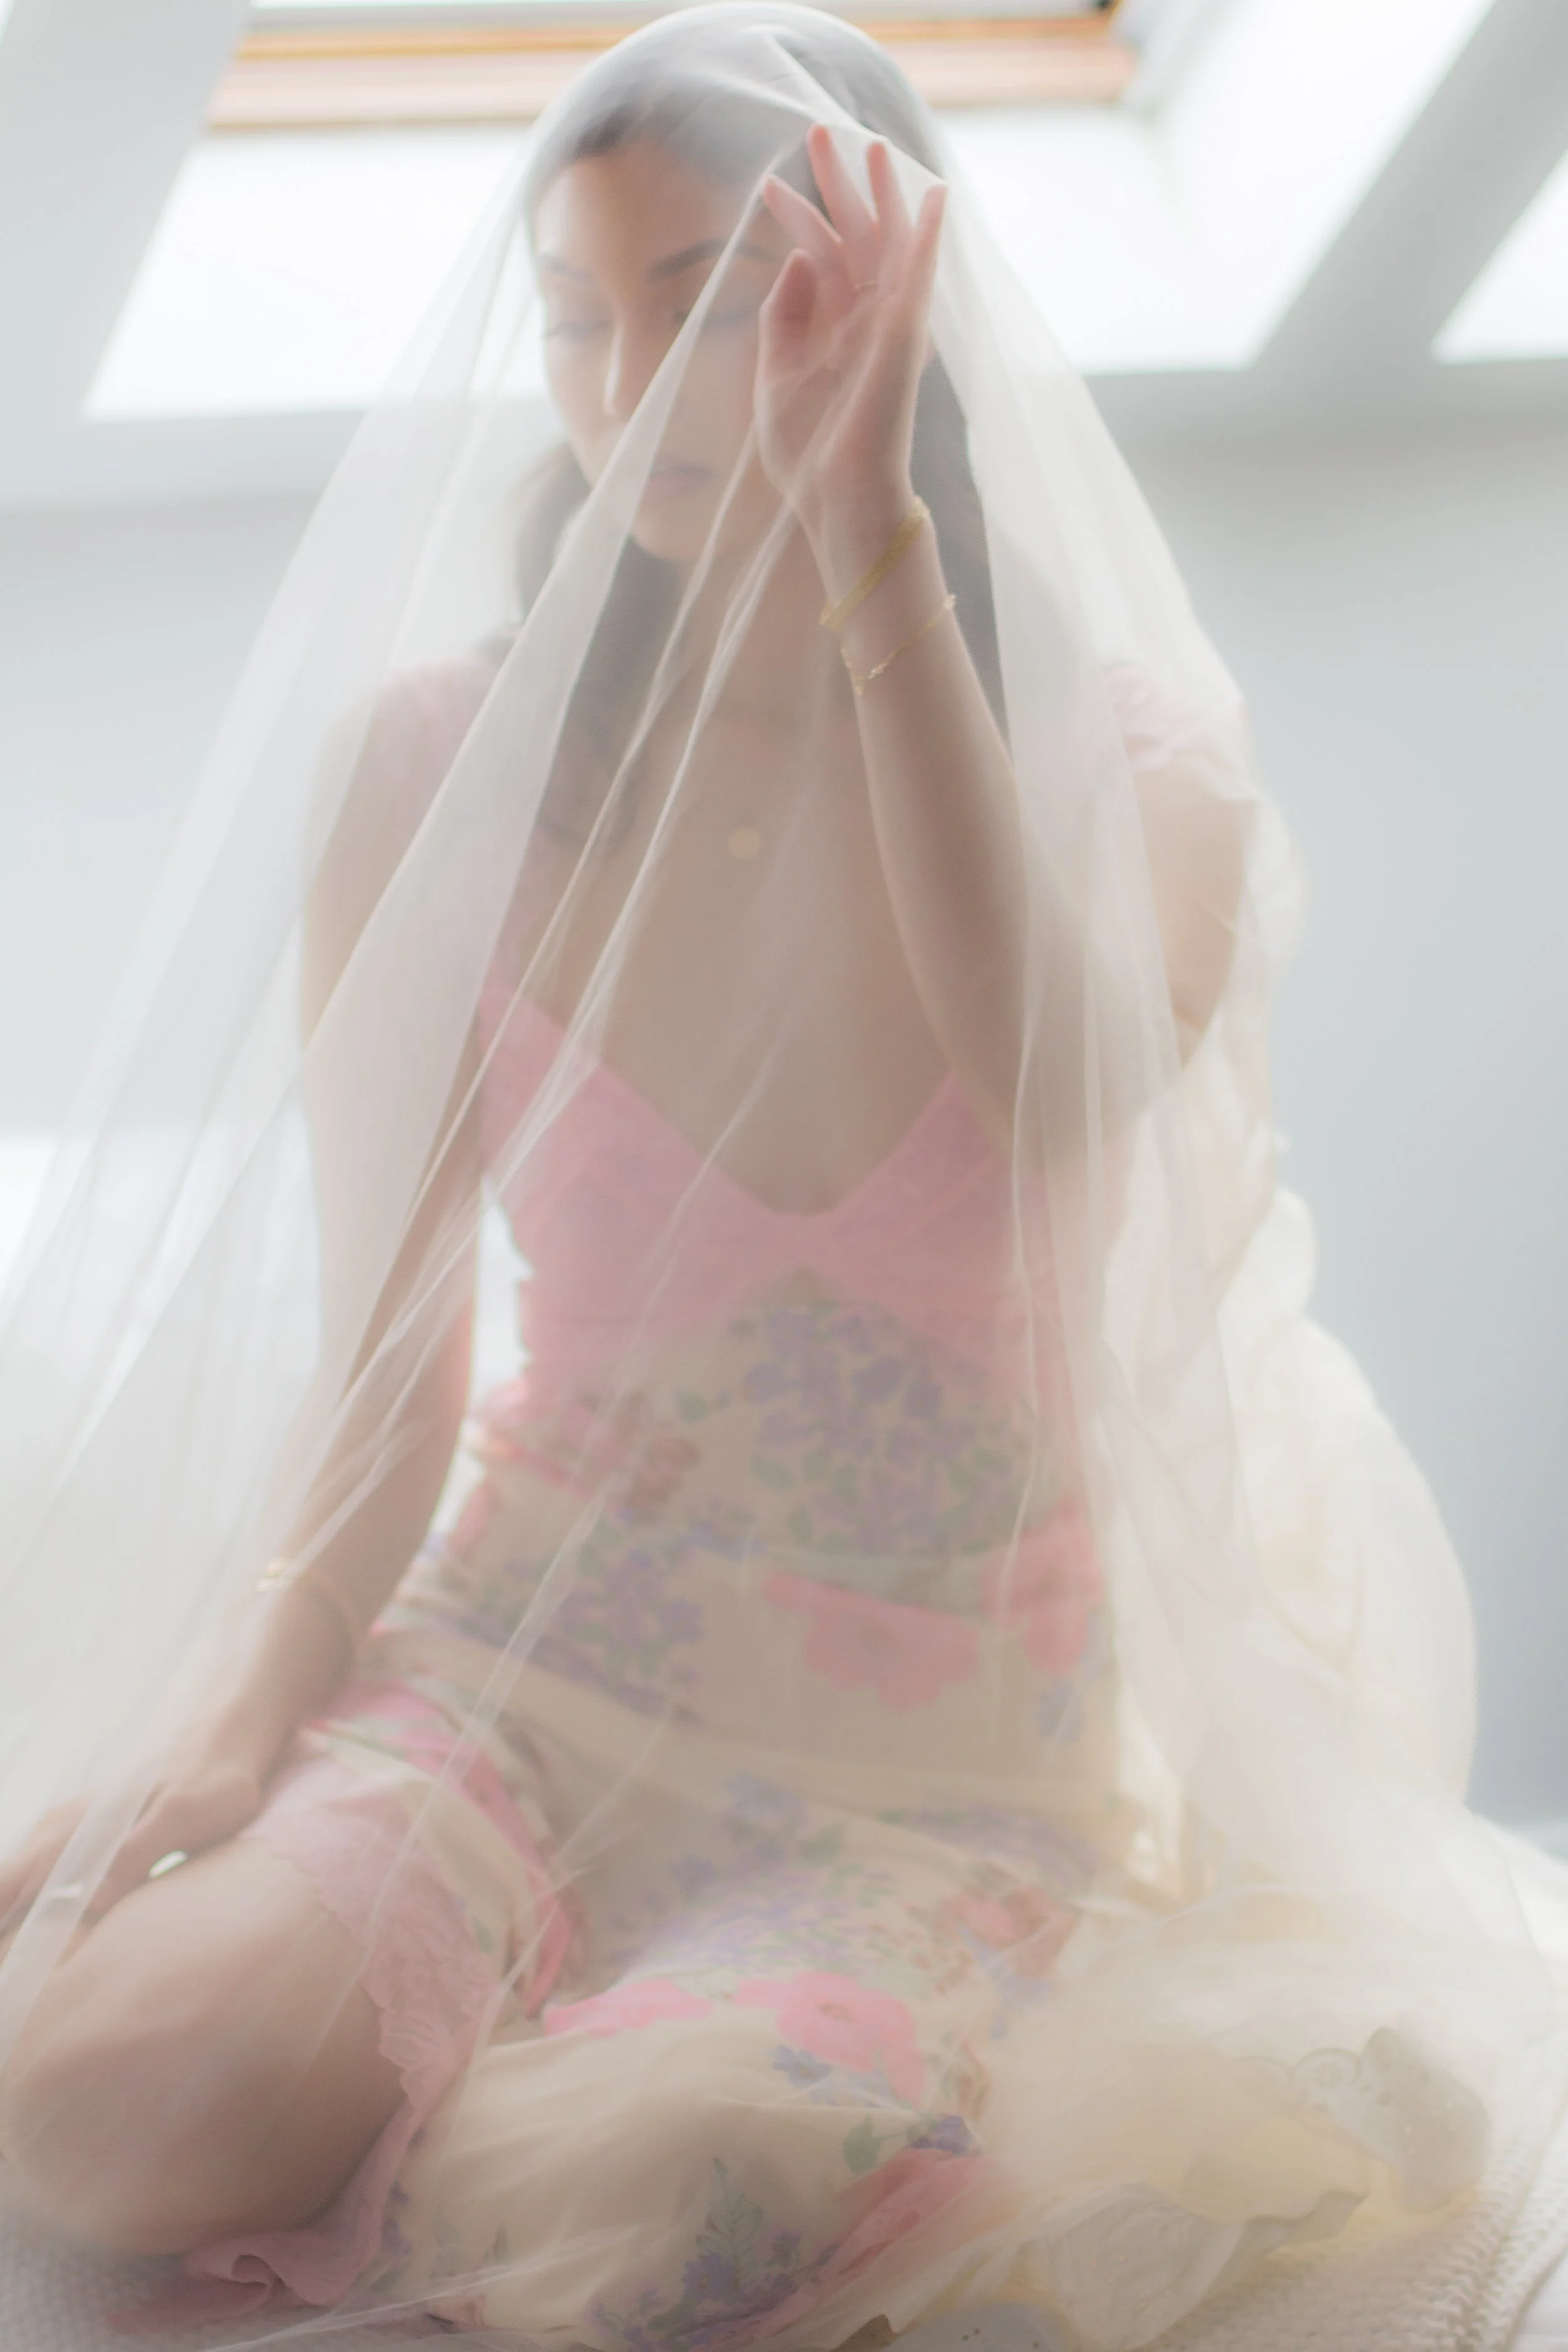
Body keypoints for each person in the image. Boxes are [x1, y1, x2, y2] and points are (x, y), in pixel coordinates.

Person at [0, 8, 1559, 2347]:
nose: (631, 378)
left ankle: (627, 2055)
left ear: (894, 302)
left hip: (928, 1764)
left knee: (670, 2179)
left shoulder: (1139, 759)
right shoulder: (429, 767)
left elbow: (1048, 1080)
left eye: (718, 298)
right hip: (529, 1668)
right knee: (98, 2101)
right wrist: (236, 1727)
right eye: (577, 308)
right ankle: (446, 2002)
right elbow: (387, 1361)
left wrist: (872, 543)